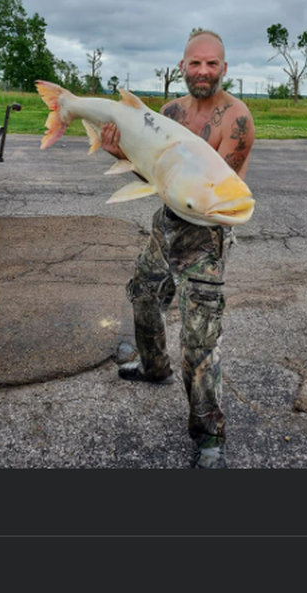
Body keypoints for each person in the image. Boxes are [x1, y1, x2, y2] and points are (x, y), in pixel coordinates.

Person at [102, 28, 255, 469]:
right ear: (182, 66)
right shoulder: (167, 113)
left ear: (224, 68)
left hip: (205, 237)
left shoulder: (236, 119)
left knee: (200, 341)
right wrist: (122, 154)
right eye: (195, 63)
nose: (203, 71)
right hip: (167, 223)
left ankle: (209, 437)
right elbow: (160, 183)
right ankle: (153, 367)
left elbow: (212, 196)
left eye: (212, 63)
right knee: (144, 296)